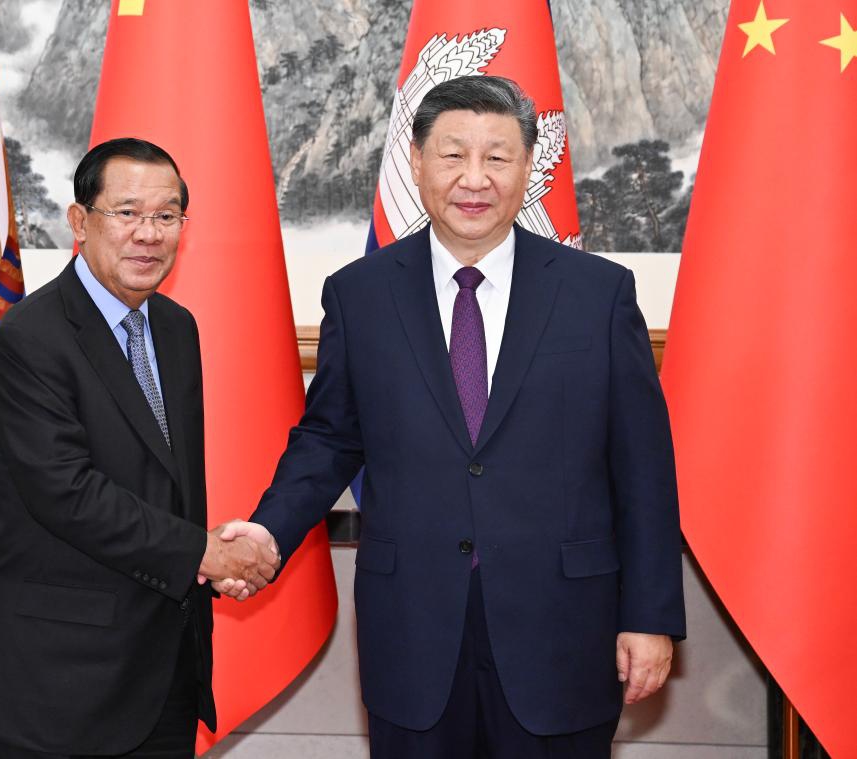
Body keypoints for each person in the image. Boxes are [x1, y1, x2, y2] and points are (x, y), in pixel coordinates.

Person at [220, 76, 686, 758]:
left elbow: (642, 468)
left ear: (528, 167)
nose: (474, 179)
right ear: (415, 162)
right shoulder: (361, 294)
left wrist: (649, 616)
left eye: (496, 157)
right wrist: (266, 532)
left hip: (562, 630)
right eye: (452, 155)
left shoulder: (597, 295)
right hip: (413, 630)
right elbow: (328, 439)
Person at [0, 138, 279, 757]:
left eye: (166, 215)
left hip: (163, 663)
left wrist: (210, 557)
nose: (148, 234)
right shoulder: (32, 336)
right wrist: (205, 555)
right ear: (80, 221)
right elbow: (65, 493)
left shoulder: (177, 329)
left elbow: (168, 484)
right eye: (126, 213)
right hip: (59, 675)